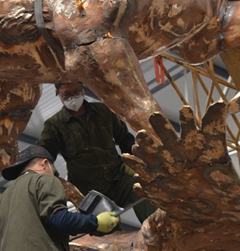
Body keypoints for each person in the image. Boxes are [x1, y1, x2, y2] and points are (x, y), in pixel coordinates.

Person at [39, 81, 156, 223]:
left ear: (82, 89)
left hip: (117, 181)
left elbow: (125, 138)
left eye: (76, 92)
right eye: (67, 94)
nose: (73, 98)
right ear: (58, 93)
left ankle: (158, 232)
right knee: (106, 229)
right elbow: (44, 156)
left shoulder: (104, 111)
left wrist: (135, 163)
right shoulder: (54, 125)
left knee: (143, 189)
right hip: (88, 193)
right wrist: (57, 181)